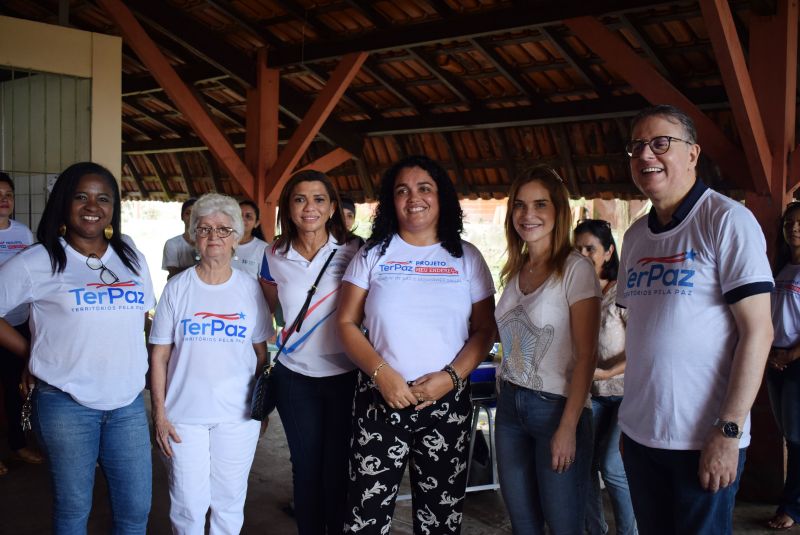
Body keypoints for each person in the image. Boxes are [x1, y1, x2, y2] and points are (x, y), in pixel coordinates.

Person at [617, 104, 774, 534]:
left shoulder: (726, 220)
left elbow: (759, 332)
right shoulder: (634, 237)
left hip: (703, 439)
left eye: (660, 143)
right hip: (641, 436)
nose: (646, 155)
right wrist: (630, 428)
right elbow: (642, 332)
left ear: (692, 153)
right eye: (637, 147)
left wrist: (727, 430)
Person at [337, 155, 496, 534]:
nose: (414, 198)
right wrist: (382, 375)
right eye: (402, 190)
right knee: (365, 515)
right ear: (391, 201)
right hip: (379, 400)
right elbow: (345, 323)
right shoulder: (373, 254)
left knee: (440, 520)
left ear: (442, 198)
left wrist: (450, 378)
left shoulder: (466, 257)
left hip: (446, 403)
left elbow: (485, 331)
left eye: (425, 188)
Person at [0, 161, 155, 533]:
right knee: (73, 509)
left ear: (113, 207)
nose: (93, 205)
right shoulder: (37, 260)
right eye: (81, 196)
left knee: (136, 510)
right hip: (66, 404)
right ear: (63, 204)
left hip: (128, 403)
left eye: (104, 198)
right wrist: (30, 354)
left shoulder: (130, 254)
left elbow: (142, 314)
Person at [150, 193, 270, 535]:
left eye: (222, 229)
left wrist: (262, 410)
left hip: (238, 416)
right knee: (187, 504)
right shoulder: (177, 288)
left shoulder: (250, 289)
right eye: (204, 228)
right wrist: (159, 413)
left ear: (236, 237)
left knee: (229, 501)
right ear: (193, 236)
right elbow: (159, 355)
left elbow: (262, 354)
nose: (213, 236)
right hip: (183, 417)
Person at [494, 165, 600, 534]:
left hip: (556, 408)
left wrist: (568, 427)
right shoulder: (516, 269)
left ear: (558, 210)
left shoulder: (576, 269)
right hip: (509, 406)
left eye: (540, 204)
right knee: (523, 525)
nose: (528, 215)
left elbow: (587, 355)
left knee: (563, 525)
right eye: (520, 206)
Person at [259, 170, 359, 535]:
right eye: (300, 199)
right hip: (294, 376)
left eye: (319, 199)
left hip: (346, 376)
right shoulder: (274, 254)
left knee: (337, 465)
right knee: (305, 464)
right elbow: (272, 308)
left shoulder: (355, 250)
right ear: (288, 206)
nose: (309, 207)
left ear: (333, 206)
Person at [574, 219, 636, 535]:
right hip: (590, 395)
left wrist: (608, 371)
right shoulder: (576, 295)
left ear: (608, 252)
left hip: (625, 394)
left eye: (591, 249)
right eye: (578, 249)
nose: (583, 255)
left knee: (611, 466)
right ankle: (594, 530)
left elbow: (641, 346)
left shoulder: (622, 293)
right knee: (583, 466)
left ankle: (630, 532)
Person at [0, 172, 43, 476]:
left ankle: (18, 443)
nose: (4, 200)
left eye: (8, 194)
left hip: (17, 323)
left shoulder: (23, 233)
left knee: (17, 388)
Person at [765, 201, 800, 530]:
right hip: (774, 358)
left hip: (795, 361)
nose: (794, 228)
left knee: (798, 437)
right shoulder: (781, 266)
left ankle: (793, 507)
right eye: (790, 223)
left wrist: (790, 355)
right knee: (789, 435)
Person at [232, 200, 268, 278]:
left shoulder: (263, 248)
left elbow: (266, 283)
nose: (242, 219)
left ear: (256, 223)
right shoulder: (222, 243)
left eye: (248, 216)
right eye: (238, 215)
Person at [162, 198, 197, 279]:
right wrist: (203, 268)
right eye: (188, 213)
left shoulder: (208, 243)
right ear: (182, 217)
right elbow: (173, 274)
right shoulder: (172, 244)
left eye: (195, 214)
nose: (191, 217)